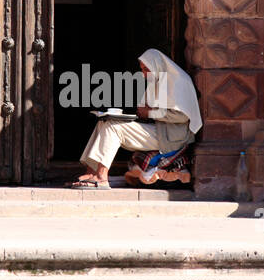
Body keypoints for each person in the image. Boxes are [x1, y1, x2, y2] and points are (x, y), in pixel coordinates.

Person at [70, 48, 202, 189]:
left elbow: (182, 116)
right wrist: (143, 112)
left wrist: (150, 113)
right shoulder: (159, 80)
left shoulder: (178, 82)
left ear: (156, 65)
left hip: (173, 138)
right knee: (105, 122)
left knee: (113, 128)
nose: (144, 74)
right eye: (142, 70)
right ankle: (92, 172)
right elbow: (150, 110)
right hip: (160, 131)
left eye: (146, 69)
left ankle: (102, 177)